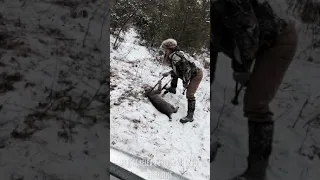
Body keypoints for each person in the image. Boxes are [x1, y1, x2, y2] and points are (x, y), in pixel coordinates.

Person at [211, 0, 298, 180]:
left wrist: (241, 68)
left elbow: (248, 37)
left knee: (256, 104)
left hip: (278, 41)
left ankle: (256, 174)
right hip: (254, 40)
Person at [160, 38, 203, 123]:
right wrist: (168, 73)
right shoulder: (173, 55)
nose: (164, 51)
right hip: (189, 73)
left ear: (169, 49)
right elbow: (178, 70)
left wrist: (185, 83)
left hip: (196, 75)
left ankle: (190, 116)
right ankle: (173, 88)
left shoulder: (177, 57)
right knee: (174, 75)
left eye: (165, 49)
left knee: (190, 94)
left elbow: (186, 71)